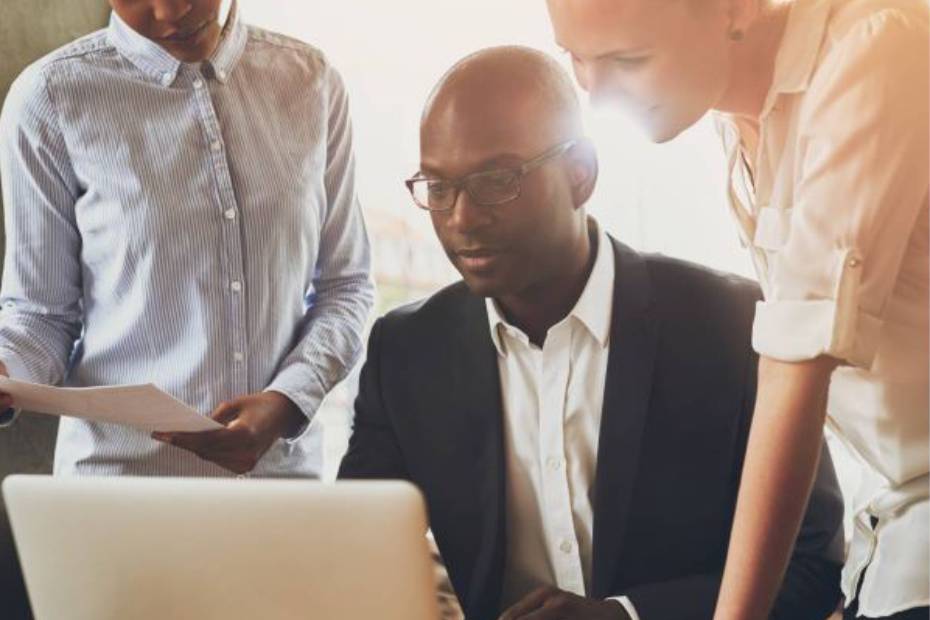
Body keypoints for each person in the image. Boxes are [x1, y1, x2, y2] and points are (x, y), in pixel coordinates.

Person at [339, 45, 843, 620]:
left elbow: (814, 565)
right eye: (438, 186)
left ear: (581, 174)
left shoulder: (728, 324)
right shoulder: (406, 354)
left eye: (496, 180)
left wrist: (626, 616)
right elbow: (358, 560)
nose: (461, 218)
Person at [544, 0, 929, 618]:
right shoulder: (737, 111)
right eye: (577, 59)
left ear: (738, 8)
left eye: (629, 60)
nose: (597, 98)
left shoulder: (875, 53)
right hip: (895, 530)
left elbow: (795, 371)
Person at [0, 0, 373, 477]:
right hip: (116, 493)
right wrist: (8, 375)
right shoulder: (49, 97)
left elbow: (347, 287)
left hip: (280, 489)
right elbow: (40, 318)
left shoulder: (311, 80)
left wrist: (288, 400)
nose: (170, 8)